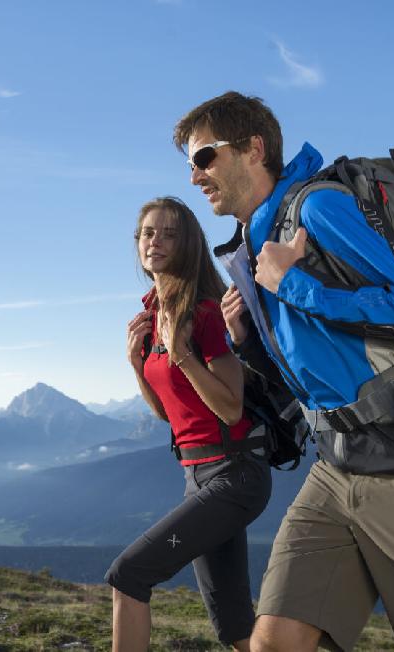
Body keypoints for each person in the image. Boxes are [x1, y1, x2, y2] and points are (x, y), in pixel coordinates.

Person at [173, 91, 394, 652]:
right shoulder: (258, 241)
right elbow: (315, 369)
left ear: (253, 149)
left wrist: (294, 285)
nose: (194, 175)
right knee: (275, 643)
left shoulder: (318, 208)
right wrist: (248, 342)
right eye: (190, 163)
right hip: (336, 466)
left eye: (205, 157)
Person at [105, 196, 272, 651]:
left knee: (129, 574)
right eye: (147, 233)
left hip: (235, 474)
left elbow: (231, 408)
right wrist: (137, 364)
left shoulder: (204, 311)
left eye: (168, 233)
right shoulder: (154, 312)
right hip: (196, 476)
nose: (154, 241)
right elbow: (168, 413)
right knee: (235, 627)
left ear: (189, 245)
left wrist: (180, 354)